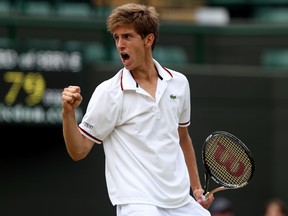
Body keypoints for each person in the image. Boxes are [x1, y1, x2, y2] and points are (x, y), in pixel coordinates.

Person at [62, 3, 214, 216]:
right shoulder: (109, 93)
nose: (120, 45)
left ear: (148, 40)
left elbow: (182, 138)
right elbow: (78, 151)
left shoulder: (179, 83)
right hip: (137, 203)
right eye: (116, 38)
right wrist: (67, 113)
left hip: (179, 201)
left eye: (127, 36)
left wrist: (196, 188)